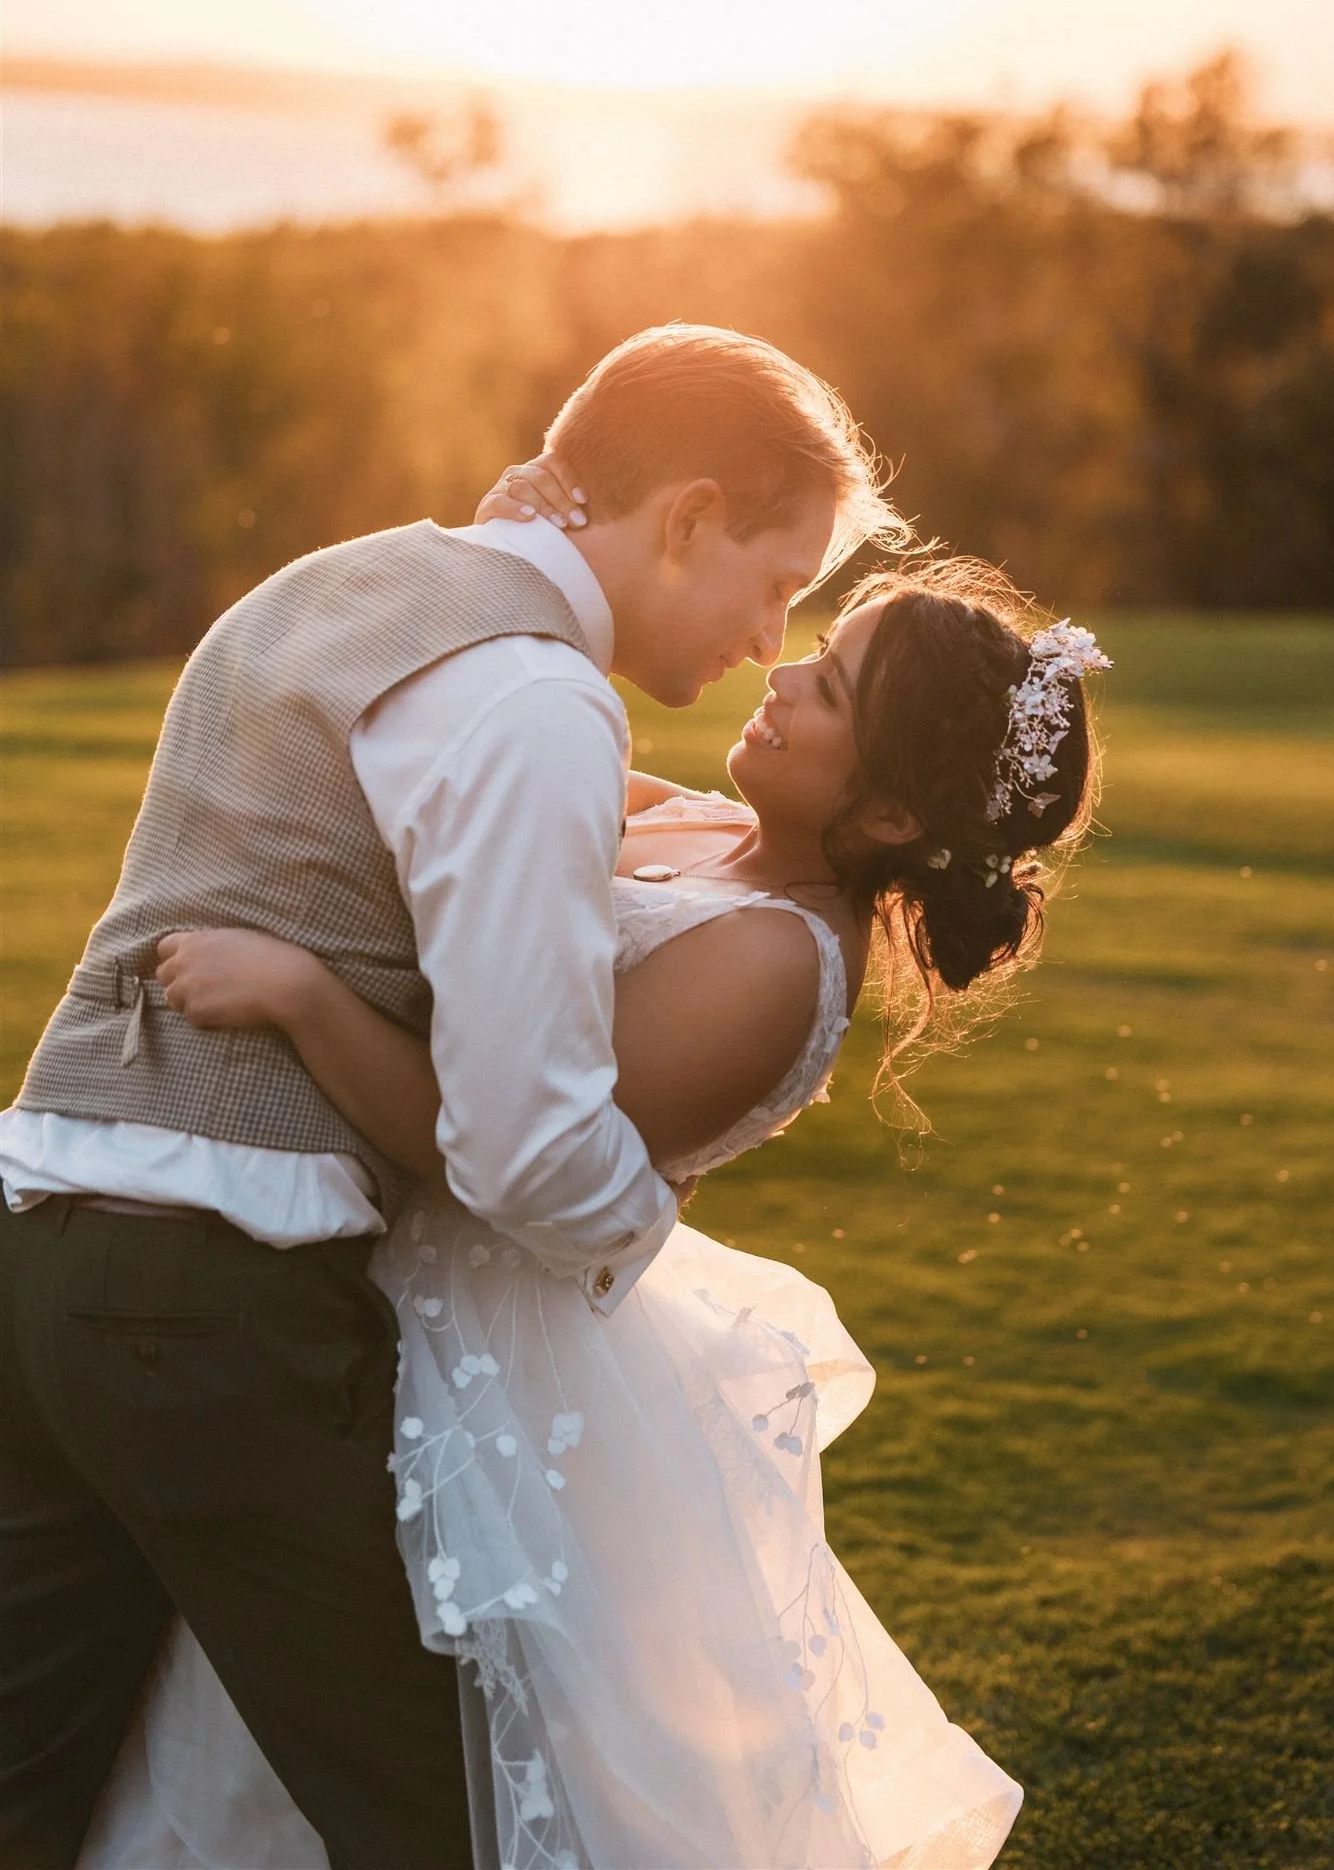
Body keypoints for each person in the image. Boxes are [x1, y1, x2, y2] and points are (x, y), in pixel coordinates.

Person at [0, 325, 901, 1870]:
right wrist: (649, 1231)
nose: (771, 638)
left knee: (31, 1780)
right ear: (683, 515)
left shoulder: (346, 583)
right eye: (775, 580)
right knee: (457, 1811)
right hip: (219, 1289)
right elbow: (525, 1144)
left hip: (44, 1236)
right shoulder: (538, 703)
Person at [80, 538, 1108, 1868]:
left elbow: (498, 1153)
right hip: (382, 1274)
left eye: (834, 690)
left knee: (353, 1741)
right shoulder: (700, 826)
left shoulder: (774, 968)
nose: (784, 675)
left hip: (480, 1349)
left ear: (894, 820)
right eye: (817, 652)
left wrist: (301, 995)